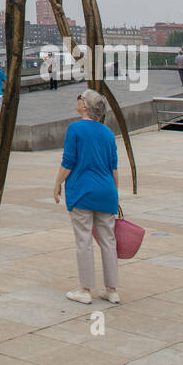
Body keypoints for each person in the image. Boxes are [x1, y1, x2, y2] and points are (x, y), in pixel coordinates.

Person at [53, 89, 120, 305]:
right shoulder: (108, 133)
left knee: (84, 240)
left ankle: (85, 289)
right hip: (106, 192)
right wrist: (115, 194)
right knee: (108, 241)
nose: (77, 100)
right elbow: (113, 168)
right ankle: (112, 289)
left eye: (80, 98)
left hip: (82, 191)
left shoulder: (75, 129)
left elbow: (68, 162)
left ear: (86, 106)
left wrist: (57, 183)